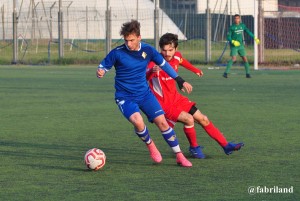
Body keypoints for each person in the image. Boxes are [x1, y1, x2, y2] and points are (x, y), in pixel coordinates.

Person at [97, 20, 193, 167]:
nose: (128, 43)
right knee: (137, 121)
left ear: (139, 37)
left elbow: (164, 65)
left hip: (144, 94)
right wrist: (101, 71)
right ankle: (151, 145)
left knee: (162, 123)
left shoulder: (148, 50)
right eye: (126, 40)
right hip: (125, 96)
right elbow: (104, 65)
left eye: (132, 40)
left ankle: (179, 155)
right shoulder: (117, 53)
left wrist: (179, 80)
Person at [147, 33, 244, 159]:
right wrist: (150, 72)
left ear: (176, 49)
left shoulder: (176, 57)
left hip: (176, 98)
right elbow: (143, 78)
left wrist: (195, 70)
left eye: (170, 50)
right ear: (160, 49)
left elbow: (182, 62)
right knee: (189, 119)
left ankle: (226, 145)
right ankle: (194, 148)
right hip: (164, 104)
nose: (167, 54)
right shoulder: (154, 63)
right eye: (164, 50)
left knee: (203, 119)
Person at [223, 14, 260, 78]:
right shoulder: (232, 27)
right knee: (234, 59)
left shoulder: (242, 26)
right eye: (235, 18)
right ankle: (225, 73)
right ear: (234, 19)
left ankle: (247, 74)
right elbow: (228, 37)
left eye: (237, 18)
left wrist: (255, 37)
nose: (236, 19)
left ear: (239, 19)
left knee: (245, 59)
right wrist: (233, 41)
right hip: (234, 46)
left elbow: (248, 31)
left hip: (241, 46)